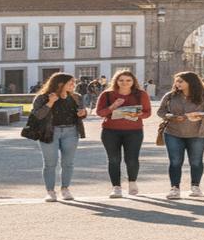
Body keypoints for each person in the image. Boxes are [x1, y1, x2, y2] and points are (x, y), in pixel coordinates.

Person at [156, 71, 204, 199]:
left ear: (191, 82)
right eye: (176, 81)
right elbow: (161, 111)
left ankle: (195, 187)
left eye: (180, 81)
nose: (177, 84)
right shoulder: (170, 96)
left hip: (199, 133)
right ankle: (174, 188)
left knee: (196, 161)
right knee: (175, 162)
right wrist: (171, 116)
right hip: (173, 132)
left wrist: (199, 116)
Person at [30, 72, 87, 202]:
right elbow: (38, 116)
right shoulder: (42, 97)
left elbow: (82, 114)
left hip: (71, 131)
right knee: (50, 163)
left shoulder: (77, 97)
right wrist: (50, 102)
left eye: (74, 82)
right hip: (49, 132)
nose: (74, 85)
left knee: (68, 163)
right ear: (60, 83)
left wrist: (83, 113)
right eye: (71, 82)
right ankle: (50, 191)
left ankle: (65, 189)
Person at [96, 70, 152, 197]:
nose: (125, 83)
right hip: (110, 131)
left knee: (131, 159)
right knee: (114, 160)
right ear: (116, 81)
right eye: (121, 80)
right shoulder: (107, 94)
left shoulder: (141, 94)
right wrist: (113, 106)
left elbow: (148, 113)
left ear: (133, 82)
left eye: (128, 80)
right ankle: (116, 187)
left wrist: (139, 114)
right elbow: (100, 113)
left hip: (134, 131)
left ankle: (132, 182)